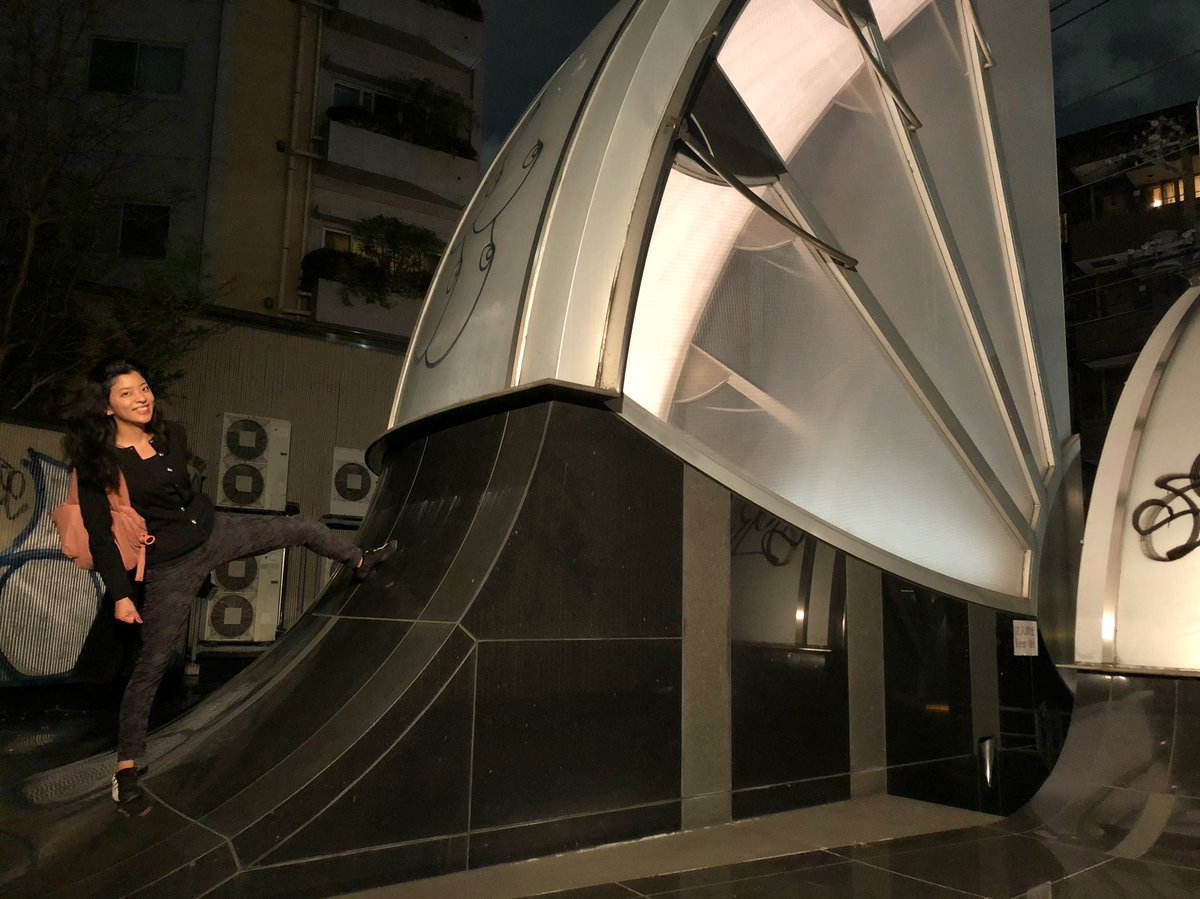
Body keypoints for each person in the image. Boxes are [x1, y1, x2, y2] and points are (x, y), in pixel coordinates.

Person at [63, 358, 397, 804]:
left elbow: (184, 495)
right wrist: (123, 596)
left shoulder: (170, 435)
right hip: (171, 564)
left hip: (216, 531)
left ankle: (359, 561)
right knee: (152, 662)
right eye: (127, 393)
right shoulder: (99, 465)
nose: (142, 398)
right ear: (106, 407)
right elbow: (101, 538)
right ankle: (126, 765)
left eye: (144, 387)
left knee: (299, 526)